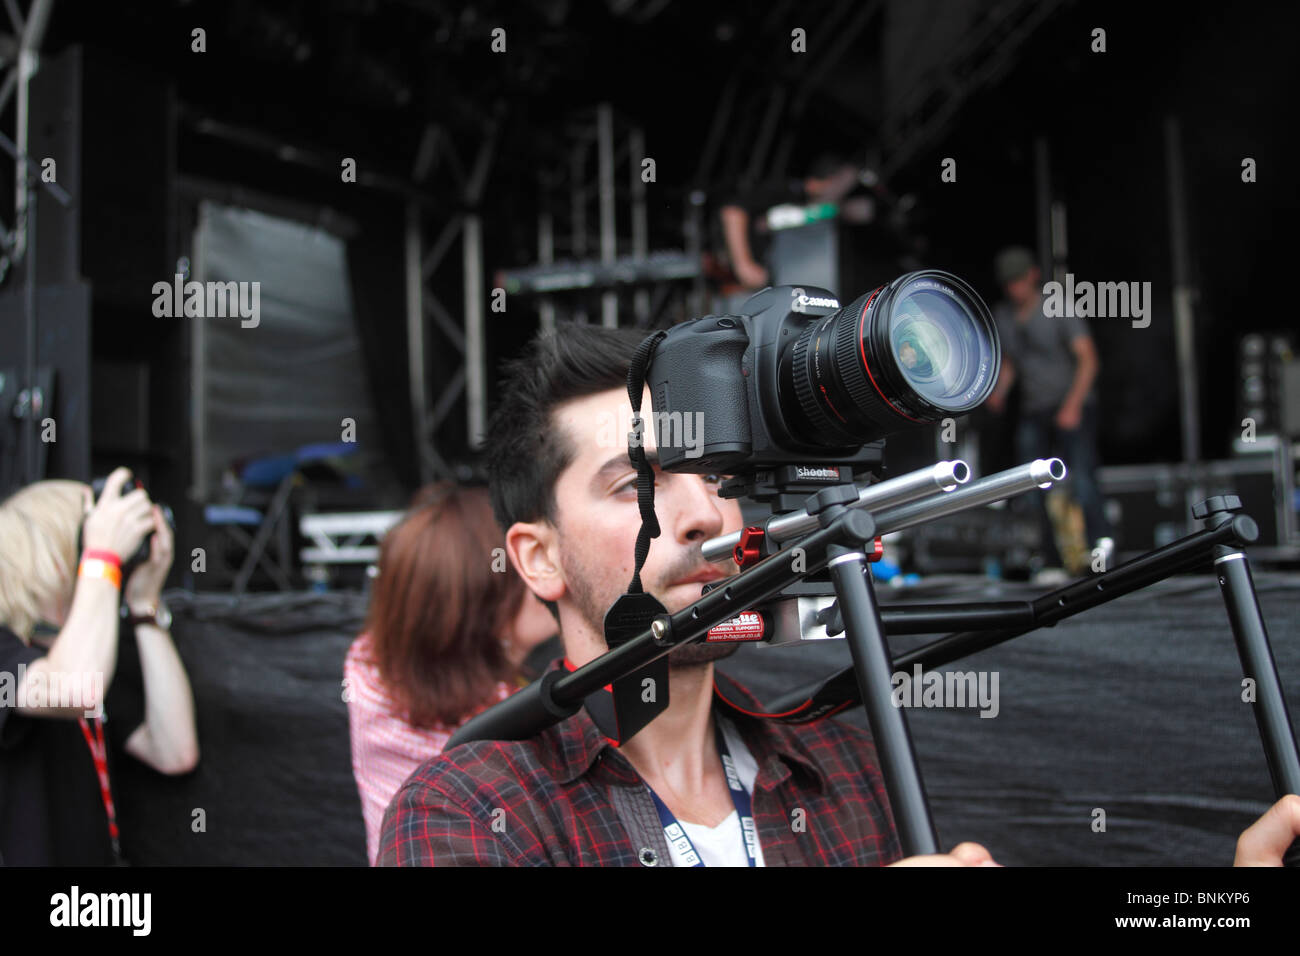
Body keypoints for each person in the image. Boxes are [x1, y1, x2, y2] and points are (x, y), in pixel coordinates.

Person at [377, 323, 1300, 867]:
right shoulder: (466, 811)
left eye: (722, 472)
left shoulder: (840, 760)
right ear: (536, 559)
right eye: (639, 484)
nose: (703, 513)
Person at [344, 483, 557, 865]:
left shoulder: (367, 667)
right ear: (486, 608)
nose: (550, 573)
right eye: (528, 562)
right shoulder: (506, 734)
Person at [0, 468, 199, 865]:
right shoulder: (9, 652)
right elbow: (74, 688)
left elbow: (172, 750)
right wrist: (103, 557)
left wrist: (144, 607)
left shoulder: (84, 651)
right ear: (53, 559)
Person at [987, 246, 1114, 575]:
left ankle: (1100, 549)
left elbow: (1089, 359)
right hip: (1034, 409)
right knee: (1032, 484)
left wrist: (1072, 405)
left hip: (1072, 403)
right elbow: (1013, 362)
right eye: (1008, 283)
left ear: (1032, 275)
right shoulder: (1005, 315)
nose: (1014, 288)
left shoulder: (1058, 307)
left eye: (1018, 280)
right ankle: (1048, 557)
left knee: (1083, 479)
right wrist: (999, 391)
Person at [719, 154, 863, 291]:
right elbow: (733, 210)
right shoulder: (788, 189)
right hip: (740, 276)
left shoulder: (818, 210)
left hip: (782, 281)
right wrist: (743, 265)